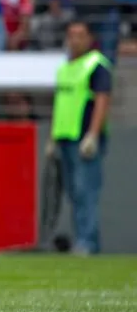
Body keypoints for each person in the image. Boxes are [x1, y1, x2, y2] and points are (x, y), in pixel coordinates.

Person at [45, 21, 112, 255]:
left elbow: (102, 100)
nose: (75, 40)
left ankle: (88, 242)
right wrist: (52, 137)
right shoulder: (65, 67)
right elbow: (60, 104)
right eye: (71, 35)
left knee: (86, 191)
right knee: (74, 193)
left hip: (83, 138)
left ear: (90, 38)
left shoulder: (96, 65)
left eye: (80, 35)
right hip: (65, 135)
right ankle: (81, 239)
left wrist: (93, 135)